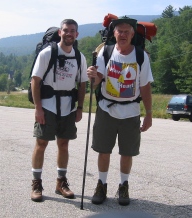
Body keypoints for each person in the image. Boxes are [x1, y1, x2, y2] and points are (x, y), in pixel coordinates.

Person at [87, 16, 153, 206]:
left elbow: (146, 87)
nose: (123, 35)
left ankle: (124, 186)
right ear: (114, 33)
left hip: (131, 111)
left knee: (127, 152)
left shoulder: (141, 56)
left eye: (126, 32)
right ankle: (101, 184)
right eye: (119, 31)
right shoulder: (105, 52)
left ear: (132, 34)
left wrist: (149, 114)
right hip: (106, 108)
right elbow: (96, 82)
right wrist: (92, 77)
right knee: (103, 150)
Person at [30, 19, 88, 202]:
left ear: (77, 34)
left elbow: (82, 84)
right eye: (66, 30)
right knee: (41, 144)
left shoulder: (80, 57)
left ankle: (61, 182)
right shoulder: (47, 53)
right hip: (47, 106)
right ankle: (36, 184)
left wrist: (79, 108)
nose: (69, 33)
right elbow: (35, 81)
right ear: (60, 33)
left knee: (64, 145)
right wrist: (38, 108)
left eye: (73, 31)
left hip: (68, 108)